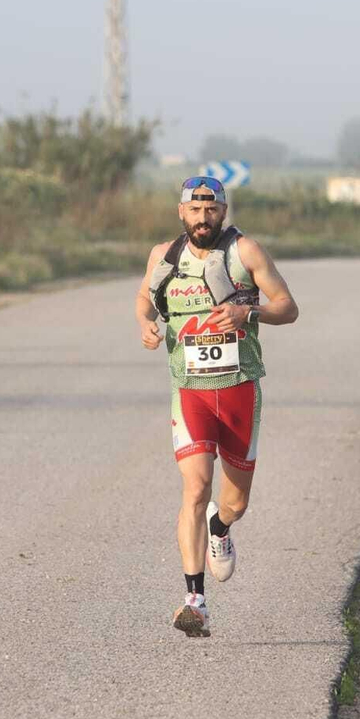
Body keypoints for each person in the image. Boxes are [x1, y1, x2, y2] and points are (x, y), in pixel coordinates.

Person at [135, 175, 300, 637]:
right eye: (194, 210)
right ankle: (195, 600)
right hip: (189, 391)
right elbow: (144, 300)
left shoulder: (245, 252)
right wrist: (146, 325)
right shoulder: (164, 256)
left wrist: (251, 312)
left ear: (223, 212)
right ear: (181, 213)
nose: (203, 219)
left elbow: (288, 306)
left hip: (240, 388)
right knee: (195, 488)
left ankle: (221, 527)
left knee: (235, 501)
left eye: (211, 210)